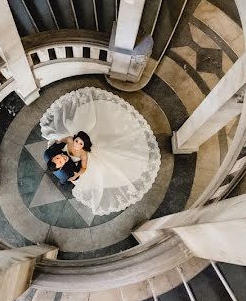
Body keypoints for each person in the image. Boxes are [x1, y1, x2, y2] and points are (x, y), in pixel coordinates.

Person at [39, 87, 161, 216]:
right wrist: (74, 175)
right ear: (61, 165)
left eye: (58, 157)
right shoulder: (67, 146)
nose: (61, 158)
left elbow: (84, 166)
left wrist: (61, 146)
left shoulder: (81, 151)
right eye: (60, 161)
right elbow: (64, 145)